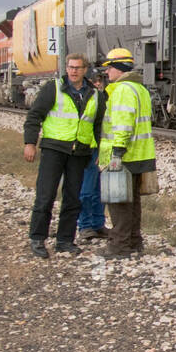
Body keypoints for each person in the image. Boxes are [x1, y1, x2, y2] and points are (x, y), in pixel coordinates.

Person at [23, 53, 101, 258]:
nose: (73, 71)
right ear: (66, 68)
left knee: (73, 198)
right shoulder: (53, 88)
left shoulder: (94, 94)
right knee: (45, 195)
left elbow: (99, 126)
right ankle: (37, 238)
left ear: (85, 70)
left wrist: (101, 151)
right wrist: (30, 143)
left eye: (78, 67)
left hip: (80, 153)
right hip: (54, 150)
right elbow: (34, 116)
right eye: (70, 67)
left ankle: (65, 240)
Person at [97, 47, 156, 258]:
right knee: (133, 202)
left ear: (119, 68)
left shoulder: (122, 90)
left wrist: (116, 153)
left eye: (109, 68)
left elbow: (123, 124)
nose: (107, 73)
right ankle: (134, 242)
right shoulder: (140, 89)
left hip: (124, 155)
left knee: (119, 202)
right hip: (141, 154)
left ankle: (119, 246)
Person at [77, 67, 109, 241]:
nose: (98, 83)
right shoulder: (88, 97)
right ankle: (85, 225)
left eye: (100, 80)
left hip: (104, 148)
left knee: (101, 188)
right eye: (95, 80)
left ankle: (98, 224)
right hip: (91, 148)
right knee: (87, 189)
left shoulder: (106, 96)